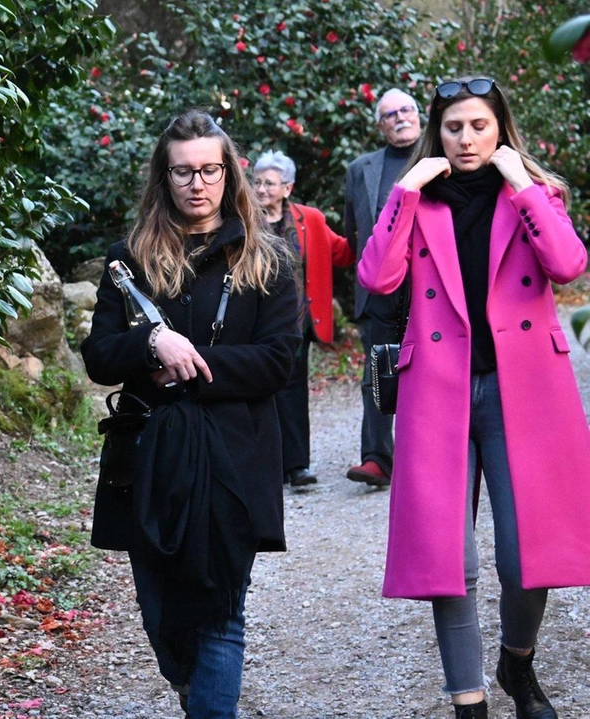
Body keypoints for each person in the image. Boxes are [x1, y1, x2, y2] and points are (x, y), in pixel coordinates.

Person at [357, 77, 590, 719]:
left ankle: (517, 661)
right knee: (447, 558)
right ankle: (469, 700)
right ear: (438, 132)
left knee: (526, 556)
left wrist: (521, 184)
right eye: (454, 127)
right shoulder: (419, 200)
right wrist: (404, 190)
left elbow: (569, 265)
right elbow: (378, 278)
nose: (466, 139)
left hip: (525, 392)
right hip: (438, 389)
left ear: (500, 129)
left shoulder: (533, 196)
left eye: (480, 126)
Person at [82, 110, 300, 718]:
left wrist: (192, 360)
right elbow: (99, 355)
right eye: (183, 172)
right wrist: (151, 344)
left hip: (235, 453)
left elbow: (279, 361)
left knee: (221, 612)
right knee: (160, 617)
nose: (197, 183)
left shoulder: (270, 259)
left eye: (209, 169)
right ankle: (189, 684)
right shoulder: (129, 259)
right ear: (165, 177)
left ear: (229, 174)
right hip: (148, 454)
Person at [252, 151, 355, 488]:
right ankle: (263, 463)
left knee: (293, 389)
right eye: (257, 182)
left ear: (288, 187)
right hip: (253, 320)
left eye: (269, 183)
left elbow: (342, 251)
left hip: (297, 321)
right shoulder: (242, 219)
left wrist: (371, 228)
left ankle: (297, 466)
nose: (262, 189)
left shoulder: (309, 218)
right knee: (257, 387)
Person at [342, 88, 422, 488]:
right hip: (378, 290)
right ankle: (377, 458)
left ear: (420, 115)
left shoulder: (441, 159)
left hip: (431, 288)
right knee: (377, 369)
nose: (400, 117)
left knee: (433, 370)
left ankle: (428, 454)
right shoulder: (360, 169)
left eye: (407, 109)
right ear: (380, 125)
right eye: (390, 113)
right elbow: (352, 232)